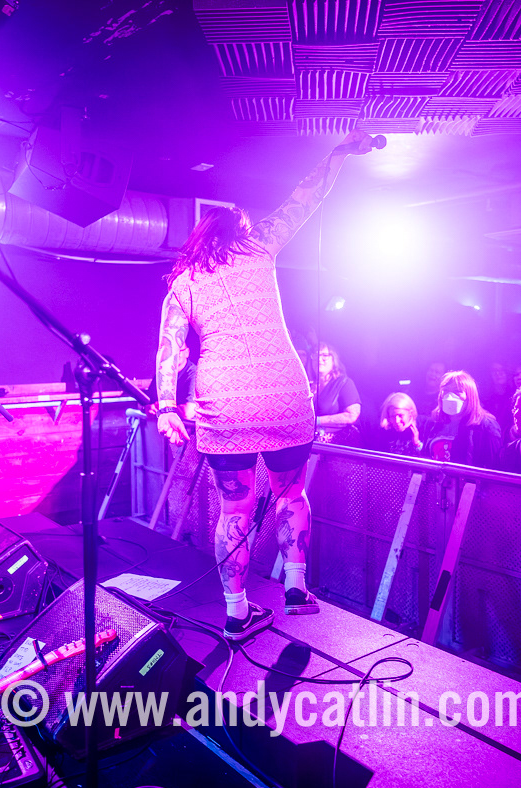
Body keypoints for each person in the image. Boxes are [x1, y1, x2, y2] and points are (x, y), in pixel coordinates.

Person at [155, 129, 378, 640]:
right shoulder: (259, 247)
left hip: (224, 403)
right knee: (290, 492)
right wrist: (339, 152)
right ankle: (295, 586)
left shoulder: (183, 285)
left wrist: (167, 406)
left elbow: (170, 349)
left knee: (233, 508)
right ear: (240, 229)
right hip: (283, 397)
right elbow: (305, 197)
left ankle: (236, 613)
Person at [422, 371, 503, 468]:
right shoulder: (433, 422)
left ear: (470, 396)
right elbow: (425, 457)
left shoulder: (487, 426)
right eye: (445, 390)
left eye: (457, 391)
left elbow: (492, 467)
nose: (450, 396)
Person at [146, 329, 199, 421]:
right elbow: (148, 403)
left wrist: (162, 408)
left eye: (179, 350)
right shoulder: (162, 372)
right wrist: (149, 408)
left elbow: (187, 412)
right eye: (171, 350)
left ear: (187, 353)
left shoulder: (194, 374)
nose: (175, 354)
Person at [314, 342, 361, 444]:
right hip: (314, 441)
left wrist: (318, 421)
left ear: (333, 359)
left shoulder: (344, 383)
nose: (319, 359)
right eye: (316, 355)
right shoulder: (309, 385)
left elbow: (352, 416)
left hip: (337, 443)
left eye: (325, 355)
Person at [371, 392, 422, 457]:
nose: (397, 421)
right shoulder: (382, 433)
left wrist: (416, 443)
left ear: (410, 413)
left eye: (400, 415)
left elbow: (428, 457)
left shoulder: (423, 427)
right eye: (392, 416)